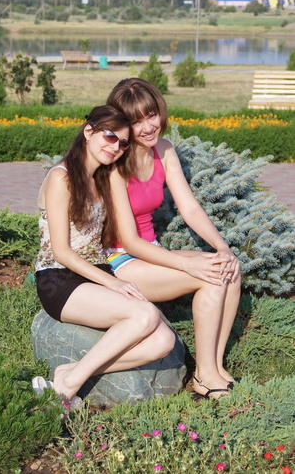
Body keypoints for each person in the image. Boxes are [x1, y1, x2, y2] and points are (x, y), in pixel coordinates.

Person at [105, 79, 241, 399]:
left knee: (228, 269)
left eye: (151, 114)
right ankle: (204, 377)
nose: (149, 126)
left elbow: (190, 208)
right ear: (122, 124)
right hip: (119, 260)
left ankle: (215, 367)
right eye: (136, 121)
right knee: (208, 279)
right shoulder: (114, 165)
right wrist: (188, 265)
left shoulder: (163, 150)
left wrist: (222, 247)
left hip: (149, 251)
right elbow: (130, 241)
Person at [33, 105, 175, 406]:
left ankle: (71, 373)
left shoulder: (103, 178)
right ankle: (65, 390)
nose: (116, 147)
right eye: (110, 137)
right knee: (145, 314)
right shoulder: (62, 177)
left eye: (123, 143)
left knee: (164, 341)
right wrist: (113, 284)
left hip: (94, 274)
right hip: (58, 278)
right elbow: (61, 251)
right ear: (89, 132)